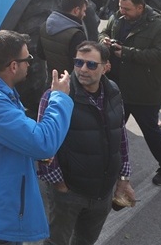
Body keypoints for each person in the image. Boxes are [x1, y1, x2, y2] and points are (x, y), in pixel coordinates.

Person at [0, 30, 73, 245]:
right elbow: (43, 143)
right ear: (14, 66)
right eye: (27, 59)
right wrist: (59, 98)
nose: (30, 64)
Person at [37, 41, 135, 245]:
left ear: (105, 67)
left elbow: (121, 136)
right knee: (56, 241)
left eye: (91, 64)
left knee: (85, 241)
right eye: (78, 62)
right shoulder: (56, 96)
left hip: (103, 194)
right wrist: (59, 185)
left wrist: (123, 177)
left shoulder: (113, 92)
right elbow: (44, 146)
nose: (82, 69)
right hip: (69, 193)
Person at [98, 0, 161, 186]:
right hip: (118, 88)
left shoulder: (160, 28)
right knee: (111, 129)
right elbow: (103, 32)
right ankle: (106, 166)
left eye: (127, 9)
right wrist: (104, 41)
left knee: (151, 131)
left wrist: (126, 53)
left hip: (145, 91)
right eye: (120, 7)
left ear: (140, 8)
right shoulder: (117, 17)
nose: (122, 11)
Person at [39, 0, 89, 75]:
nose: (85, 14)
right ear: (76, 10)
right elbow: (80, 65)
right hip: (69, 83)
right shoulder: (76, 34)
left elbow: (41, 54)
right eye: (83, 11)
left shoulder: (44, 26)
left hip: (53, 80)